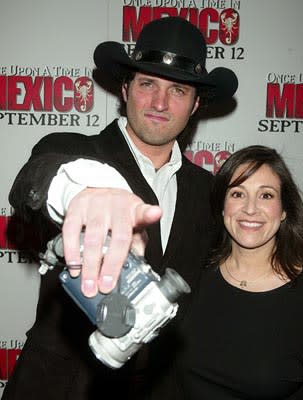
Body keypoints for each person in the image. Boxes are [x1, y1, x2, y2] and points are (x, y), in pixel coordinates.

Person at [2, 17, 237, 400]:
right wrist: (79, 191)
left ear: (196, 104)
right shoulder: (75, 152)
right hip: (60, 387)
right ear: (126, 89)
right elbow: (35, 179)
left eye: (178, 90)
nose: (160, 103)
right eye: (147, 84)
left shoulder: (209, 191)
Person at [177, 145, 303, 399]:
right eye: (237, 194)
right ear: (222, 207)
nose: (250, 209)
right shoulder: (194, 274)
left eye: (266, 195)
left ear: (284, 210)